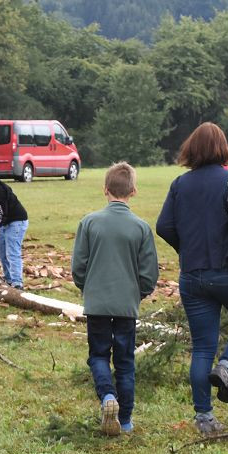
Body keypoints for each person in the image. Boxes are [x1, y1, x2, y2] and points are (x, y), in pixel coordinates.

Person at [156, 122, 228, 436]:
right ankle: (227, 366)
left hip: (192, 275)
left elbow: (164, 226)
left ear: (191, 149)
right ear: (223, 149)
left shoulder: (179, 184)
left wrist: (186, 248)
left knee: (202, 348)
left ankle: (204, 418)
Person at [71, 162, 158, 436]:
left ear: (105, 190)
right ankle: (127, 418)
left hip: (97, 303)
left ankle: (108, 397)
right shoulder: (142, 228)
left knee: (98, 354)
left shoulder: (89, 222)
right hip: (126, 305)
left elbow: (78, 267)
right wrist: (139, 293)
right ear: (133, 191)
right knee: (125, 361)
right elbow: (149, 272)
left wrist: (88, 288)